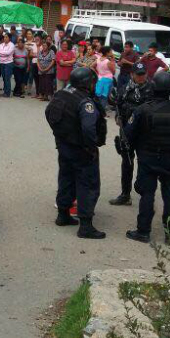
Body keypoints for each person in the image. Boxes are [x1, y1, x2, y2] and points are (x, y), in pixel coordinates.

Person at [123, 71, 170, 245]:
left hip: (148, 159)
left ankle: (143, 231)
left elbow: (128, 136)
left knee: (147, 195)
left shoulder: (142, 110)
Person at [45, 67, 108, 239]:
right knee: (87, 184)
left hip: (65, 147)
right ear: (87, 83)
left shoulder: (62, 94)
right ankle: (85, 226)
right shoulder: (85, 102)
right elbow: (88, 128)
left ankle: (63, 215)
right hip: (81, 149)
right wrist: (90, 146)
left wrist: (61, 136)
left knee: (66, 179)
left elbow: (48, 113)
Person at [107, 62, 153, 206]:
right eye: (138, 74)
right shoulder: (125, 88)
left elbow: (151, 109)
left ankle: (145, 193)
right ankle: (125, 194)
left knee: (144, 162)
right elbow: (118, 104)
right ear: (132, 74)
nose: (141, 77)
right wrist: (117, 115)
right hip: (126, 130)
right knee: (127, 161)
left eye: (143, 74)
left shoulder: (151, 89)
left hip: (143, 131)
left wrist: (131, 110)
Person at [95, 46, 116, 111]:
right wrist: (113, 60)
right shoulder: (108, 61)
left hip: (99, 79)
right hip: (107, 80)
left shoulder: (98, 60)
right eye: (110, 51)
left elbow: (91, 66)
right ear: (107, 53)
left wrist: (97, 73)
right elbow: (114, 72)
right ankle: (101, 111)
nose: (112, 52)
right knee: (105, 96)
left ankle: (97, 109)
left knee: (99, 96)